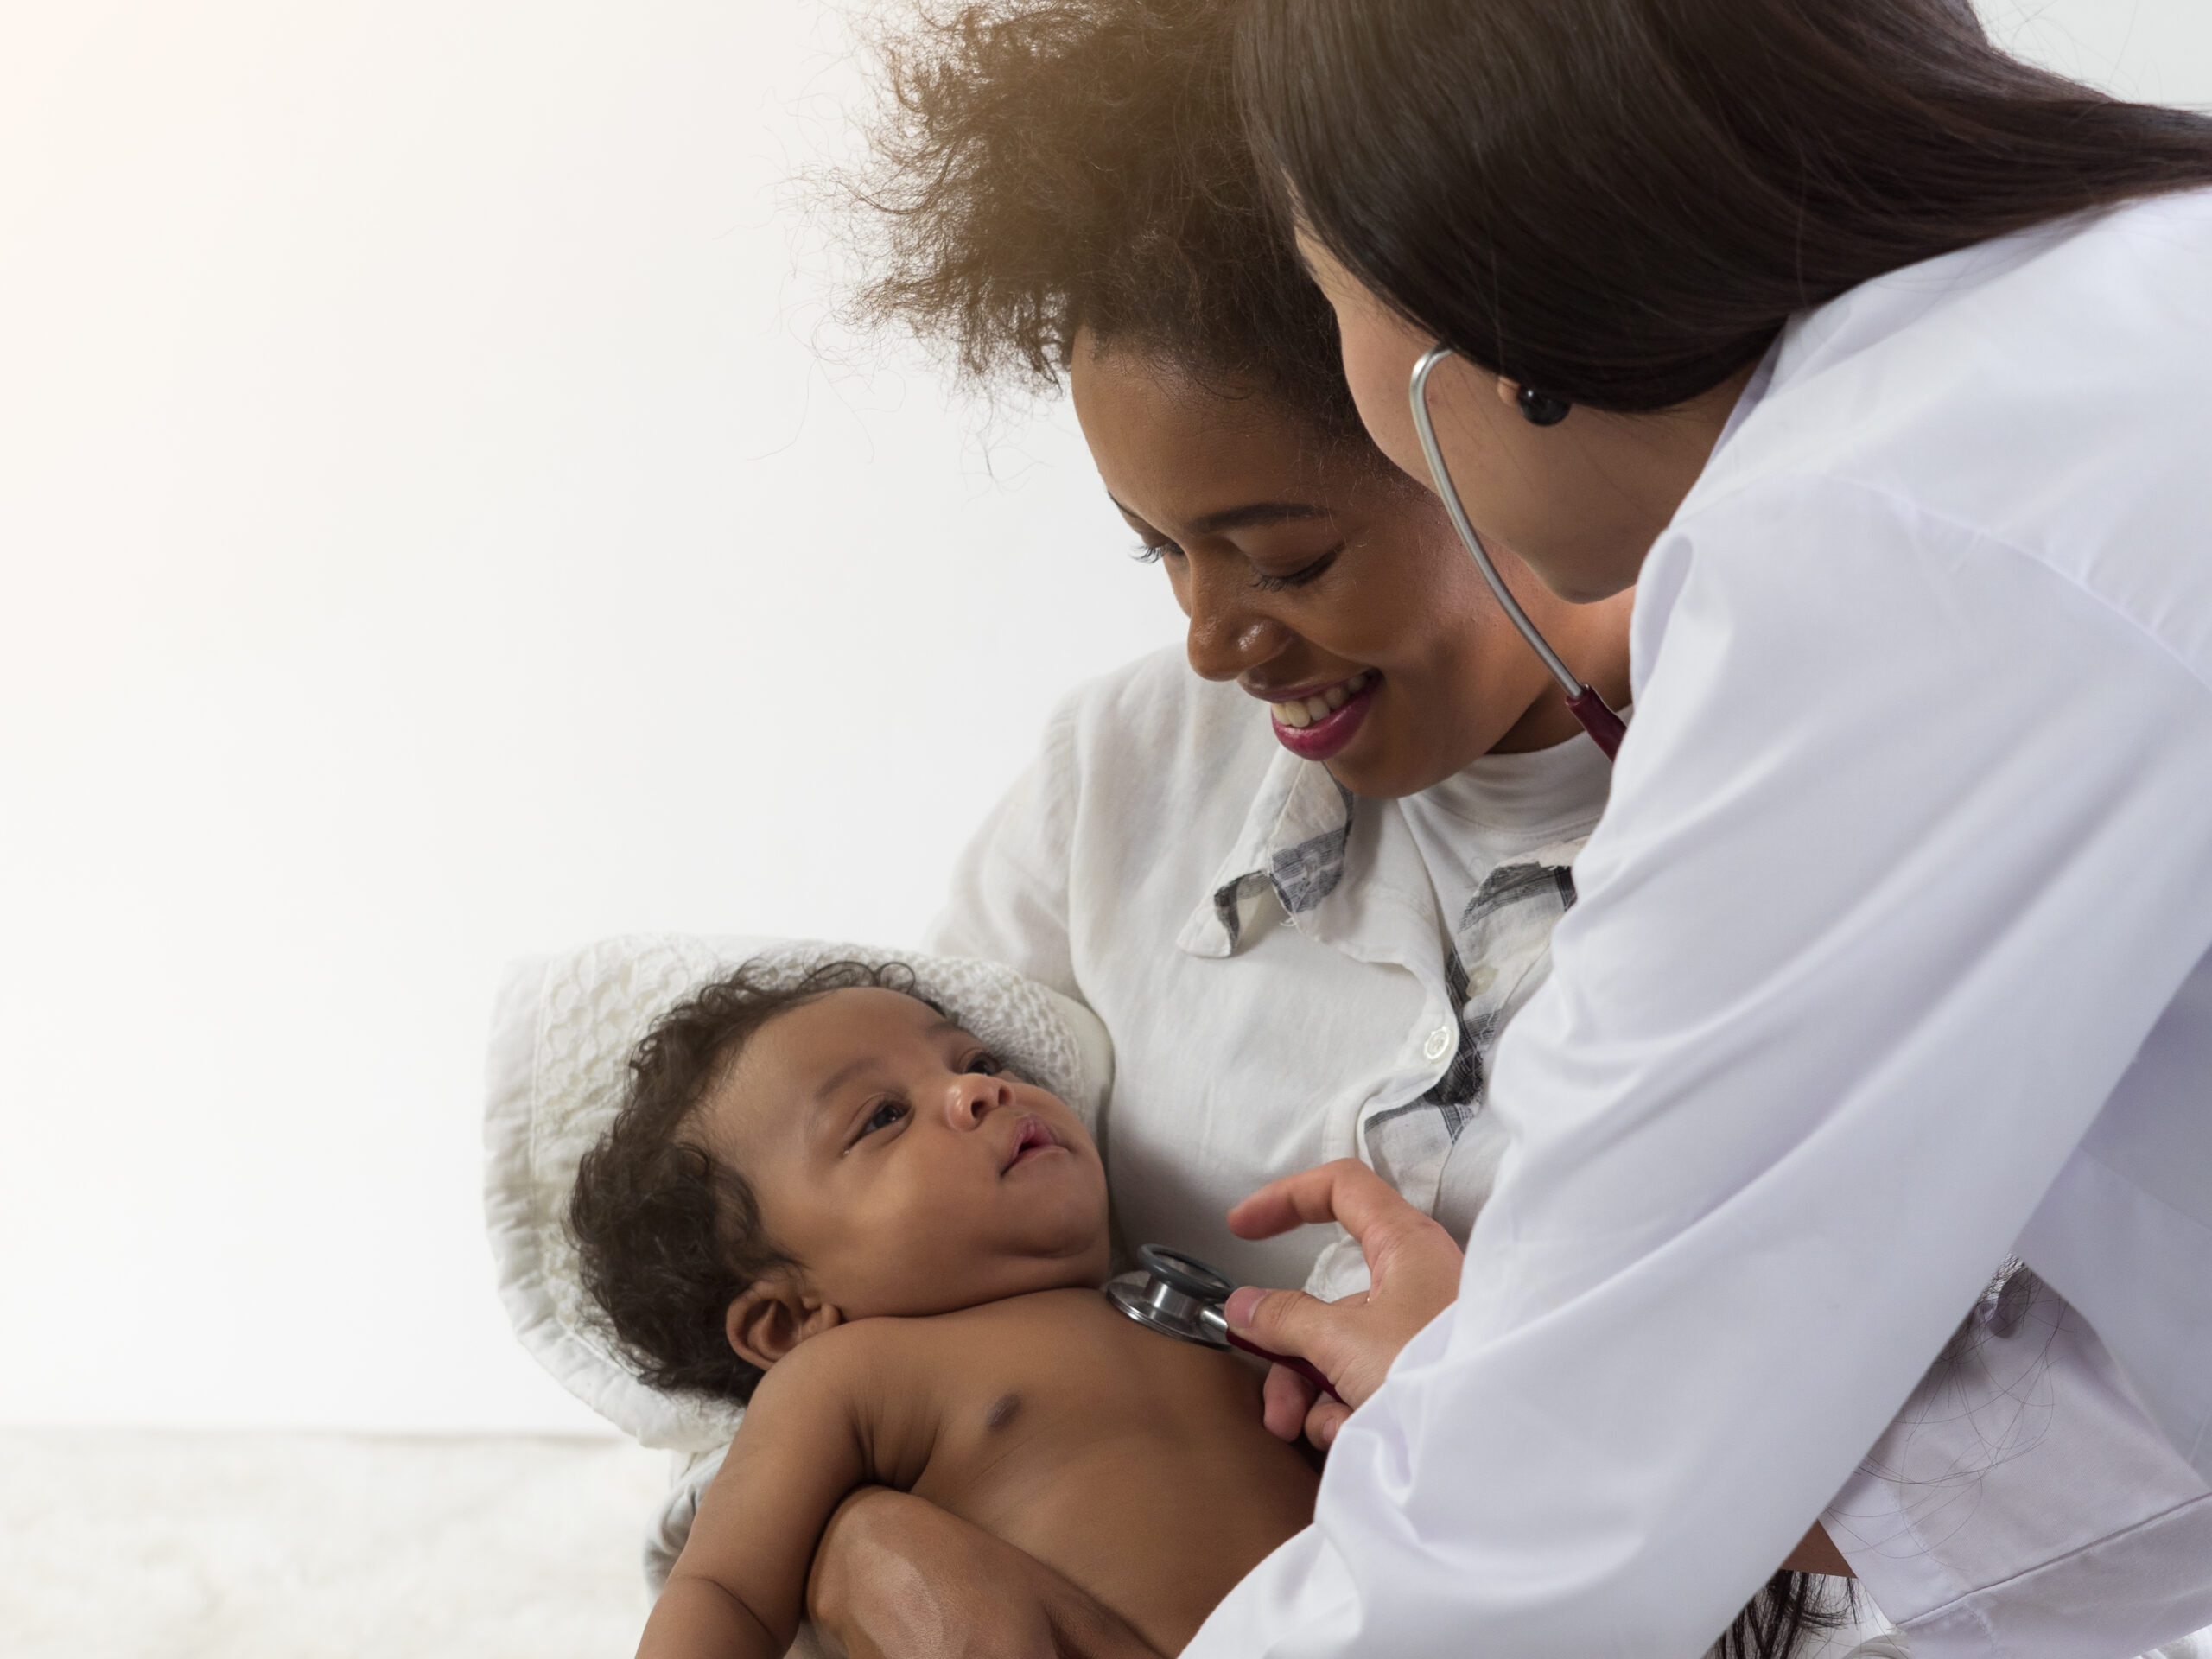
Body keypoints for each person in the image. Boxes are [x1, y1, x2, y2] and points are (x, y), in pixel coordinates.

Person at [787, 3, 1855, 1655]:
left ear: (1505, 411)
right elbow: (835, 1242)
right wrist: (855, 1542)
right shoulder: (1122, 782)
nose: (1213, 640)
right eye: (1158, 552)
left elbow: (2015, 1454)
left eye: (1280, 557)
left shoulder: (1818, 806)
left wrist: (1510, 1418)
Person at [1183, 1, 2212, 1655]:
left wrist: (1519, 1394)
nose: (1212, 638)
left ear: (1481, 302)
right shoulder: (2119, 308)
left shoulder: (1868, 542)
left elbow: (1524, 1542)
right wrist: (1517, 1389)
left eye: (1327, 298)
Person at [566, 959, 1327, 1658]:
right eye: (883, 1117)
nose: (979, 1090)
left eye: (975, 1062)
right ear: (789, 1321)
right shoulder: (852, 1374)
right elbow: (725, 1590)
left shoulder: (1193, 1312)